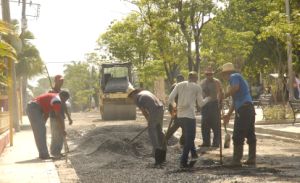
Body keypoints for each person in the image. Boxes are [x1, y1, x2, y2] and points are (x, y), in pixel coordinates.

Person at [168, 71, 211, 168]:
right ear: (195, 78)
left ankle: (194, 154)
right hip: (190, 116)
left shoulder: (179, 85)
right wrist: (208, 98)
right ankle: (183, 161)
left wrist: (175, 107)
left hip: (180, 116)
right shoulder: (197, 87)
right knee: (190, 138)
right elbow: (201, 104)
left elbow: (170, 99)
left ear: (188, 77)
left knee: (188, 136)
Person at [221, 62, 256, 167]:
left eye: (224, 75)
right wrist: (228, 115)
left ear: (227, 73)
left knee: (237, 135)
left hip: (244, 110)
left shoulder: (234, 76)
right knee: (250, 134)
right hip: (248, 108)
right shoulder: (235, 81)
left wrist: (224, 95)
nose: (224, 77)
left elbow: (235, 88)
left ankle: (236, 160)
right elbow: (234, 102)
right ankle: (251, 159)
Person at [128, 85, 166, 166]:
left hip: (155, 110)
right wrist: (151, 120)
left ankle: (156, 151)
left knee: (151, 130)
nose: (131, 100)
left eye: (130, 97)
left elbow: (144, 112)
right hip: (161, 108)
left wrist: (149, 121)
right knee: (158, 129)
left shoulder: (137, 98)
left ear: (132, 94)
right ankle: (163, 148)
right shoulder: (145, 92)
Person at [26, 91, 70, 159]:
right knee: (40, 131)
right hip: (34, 108)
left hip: (34, 107)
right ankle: (44, 154)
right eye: (65, 100)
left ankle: (43, 154)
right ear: (62, 97)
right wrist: (63, 129)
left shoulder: (55, 97)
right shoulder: (57, 100)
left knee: (41, 130)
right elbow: (58, 116)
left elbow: (46, 113)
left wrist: (42, 125)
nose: (64, 102)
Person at [48, 75, 73, 158]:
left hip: (61, 116)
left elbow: (64, 105)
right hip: (54, 116)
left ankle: (58, 151)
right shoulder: (51, 92)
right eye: (60, 81)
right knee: (56, 135)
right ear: (55, 81)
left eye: (62, 81)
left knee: (61, 134)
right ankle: (54, 152)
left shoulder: (62, 92)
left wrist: (69, 117)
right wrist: (54, 93)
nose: (61, 82)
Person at [200, 66, 223, 147]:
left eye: (210, 74)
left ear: (212, 74)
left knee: (216, 125)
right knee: (204, 124)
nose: (209, 75)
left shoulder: (217, 82)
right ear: (205, 74)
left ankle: (216, 142)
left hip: (214, 104)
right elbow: (200, 94)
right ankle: (206, 142)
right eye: (207, 74)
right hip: (205, 105)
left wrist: (220, 103)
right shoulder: (202, 82)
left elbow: (221, 93)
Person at [165, 74, 185, 146]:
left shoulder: (178, 86)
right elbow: (172, 98)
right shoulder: (176, 86)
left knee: (181, 124)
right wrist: (174, 108)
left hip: (177, 108)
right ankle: (165, 139)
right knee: (178, 124)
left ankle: (182, 141)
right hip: (175, 108)